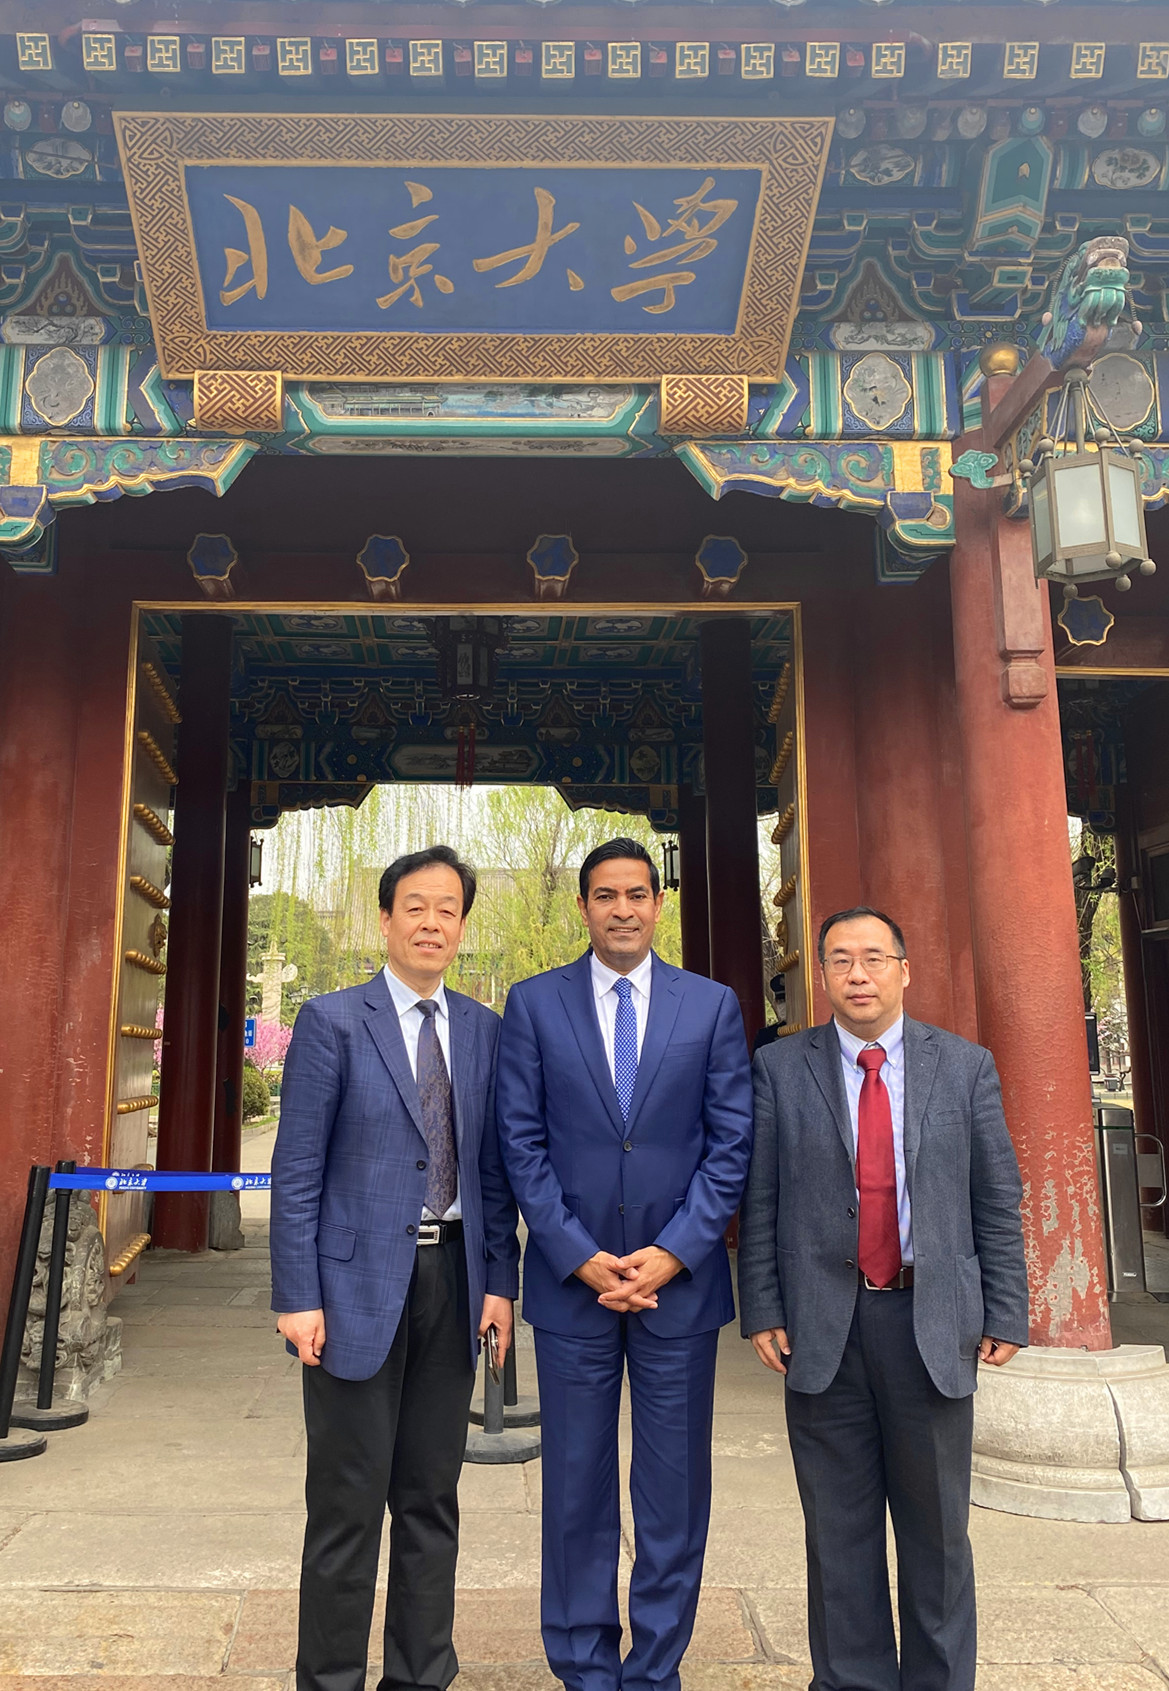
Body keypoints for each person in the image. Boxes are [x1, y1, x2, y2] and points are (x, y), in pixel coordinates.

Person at [738, 906, 1029, 1691]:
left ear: (904, 969)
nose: (856, 973)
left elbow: (995, 1195)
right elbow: (759, 1197)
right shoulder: (780, 1068)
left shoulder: (962, 1066)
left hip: (927, 1319)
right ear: (820, 975)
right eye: (839, 959)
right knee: (838, 1533)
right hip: (822, 1325)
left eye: (872, 957)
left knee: (937, 1534)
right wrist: (762, 1305)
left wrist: (1005, 1307)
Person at [495, 837, 754, 1691]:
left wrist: (674, 1252)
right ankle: (582, 1665)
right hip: (574, 1290)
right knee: (575, 1485)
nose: (622, 909)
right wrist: (577, 1255)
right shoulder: (534, 1003)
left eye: (636, 894)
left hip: (678, 1289)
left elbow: (730, 1143)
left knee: (672, 1492)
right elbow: (520, 1143)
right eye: (604, 895)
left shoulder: (709, 1006)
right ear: (582, 907)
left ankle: (653, 1666)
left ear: (657, 903)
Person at [270, 845, 519, 1691]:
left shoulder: (483, 1030)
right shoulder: (333, 1021)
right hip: (351, 1292)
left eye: (448, 909)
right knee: (346, 1505)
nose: (431, 923)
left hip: (454, 1282)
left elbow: (492, 1172)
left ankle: (420, 1675)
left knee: (429, 1499)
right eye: (415, 906)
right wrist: (298, 1295)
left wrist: (500, 1282)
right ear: (385, 919)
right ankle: (330, 1678)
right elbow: (296, 1171)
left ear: (462, 925)